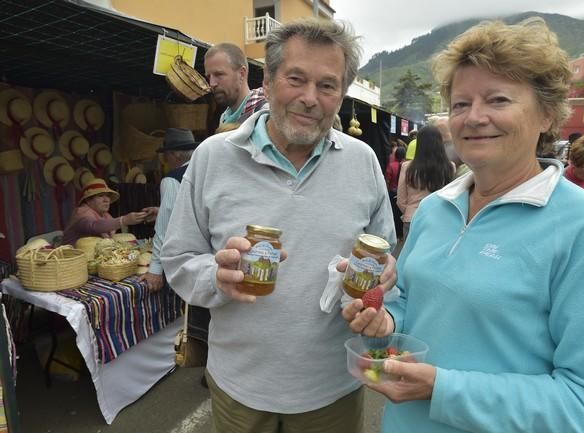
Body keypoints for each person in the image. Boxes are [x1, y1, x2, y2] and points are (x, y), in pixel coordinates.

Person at [343, 19, 584, 433]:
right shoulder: (436, 208)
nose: (474, 117)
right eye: (459, 103)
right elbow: (411, 304)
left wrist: (444, 389)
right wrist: (387, 323)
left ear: (546, 114)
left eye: (498, 99)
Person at [161, 18, 396, 433]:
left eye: (327, 85)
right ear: (266, 82)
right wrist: (218, 277)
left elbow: (384, 264)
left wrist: (375, 293)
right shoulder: (213, 157)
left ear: (341, 94)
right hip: (239, 387)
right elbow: (178, 259)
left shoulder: (363, 163)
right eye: (296, 79)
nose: (310, 98)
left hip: (330, 392)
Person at [139, 128, 199, 292]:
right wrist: (161, 210)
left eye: (166, 156)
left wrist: (156, 268)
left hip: (187, 259)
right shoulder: (206, 171)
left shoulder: (172, 179)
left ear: (174, 155)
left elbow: (165, 226)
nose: (166, 161)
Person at [397, 124, 454, 239]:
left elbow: (401, 200)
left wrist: (409, 211)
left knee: (410, 255)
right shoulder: (450, 166)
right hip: (439, 218)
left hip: (412, 217)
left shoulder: (407, 167)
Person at [62, 178, 146, 245]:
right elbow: (94, 225)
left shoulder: (105, 215)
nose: (106, 200)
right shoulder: (82, 212)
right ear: (88, 200)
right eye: (100, 196)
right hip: (71, 261)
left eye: (107, 196)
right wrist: (124, 220)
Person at [204, 42, 267, 126]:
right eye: (208, 77)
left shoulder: (265, 115)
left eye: (219, 74)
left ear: (241, 74)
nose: (212, 83)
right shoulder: (224, 118)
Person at [385, 146, 406, 239]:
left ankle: (395, 233)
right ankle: (401, 234)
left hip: (392, 192)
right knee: (401, 213)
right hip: (403, 193)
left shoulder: (391, 165)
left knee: (393, 213)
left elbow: (387, 180)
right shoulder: (406, 165)